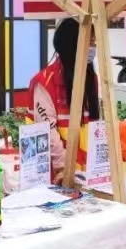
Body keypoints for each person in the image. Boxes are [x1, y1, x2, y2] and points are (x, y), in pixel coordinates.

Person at [28, 18, 100, 182]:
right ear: (73, 44)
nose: (93, 48)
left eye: (94, 43)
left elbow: (95, 124)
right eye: (89, 42)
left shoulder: (91, 78)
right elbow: (47, 130)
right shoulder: (44, 82)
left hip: (86, 173)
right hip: (56, 174)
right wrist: (65, 168)